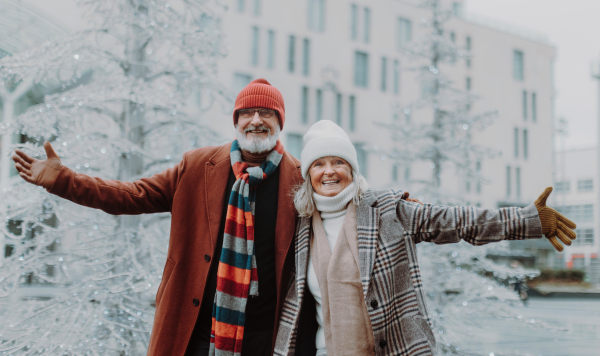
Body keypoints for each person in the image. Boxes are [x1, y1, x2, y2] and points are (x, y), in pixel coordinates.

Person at [12, 78, 303, 356]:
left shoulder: (299, 179)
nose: (256, 120)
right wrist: (64, 180)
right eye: (247, 113)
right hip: (195, 334)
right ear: (236, 121)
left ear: (279, 122)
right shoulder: (198, 166)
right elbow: (131, 194)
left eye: (266, 113)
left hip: (266, 339)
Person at [274, 120, 576, 356]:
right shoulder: (300, 226)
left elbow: (456, 222)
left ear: (352, 170)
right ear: (308, 173)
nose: (329, 171)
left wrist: (526, 220)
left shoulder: (387, 211)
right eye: (319, 163)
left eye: (338, 162)